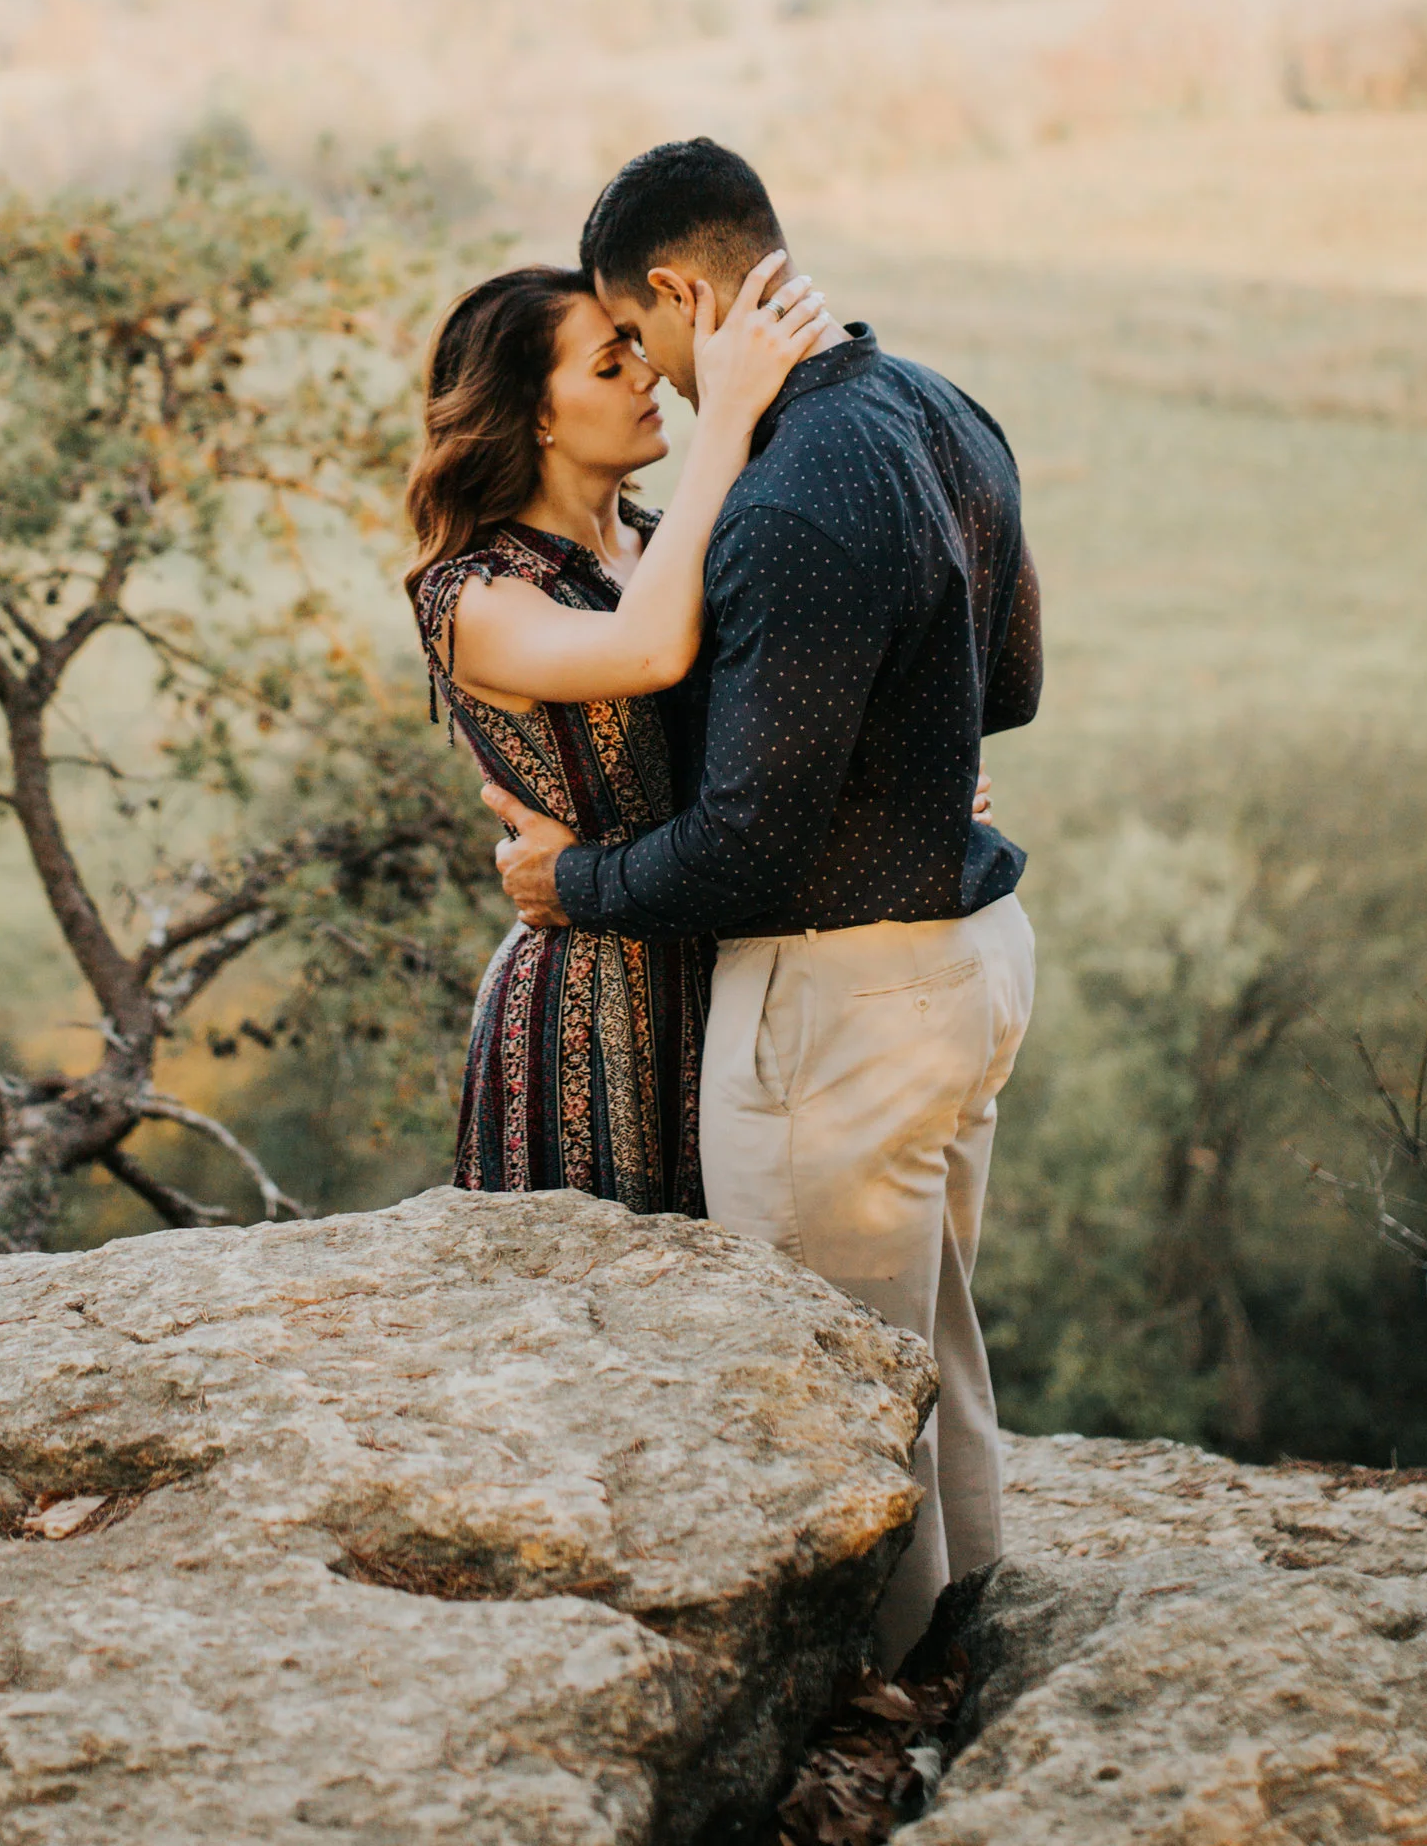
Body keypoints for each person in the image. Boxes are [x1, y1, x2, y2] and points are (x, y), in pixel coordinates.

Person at [484, 138, 1043, 1671]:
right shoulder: (935, 405)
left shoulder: (788, 494)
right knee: (929, 1353)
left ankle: (863, 1706)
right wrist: (915, 773)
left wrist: (566, 879)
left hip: (844, 998)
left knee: (826, 1392)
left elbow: (741, 849)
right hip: (969, 957)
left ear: (678, 291)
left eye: (639, 333)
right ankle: (969, 1658)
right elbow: (1015, 684)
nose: (657, 379)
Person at [405, 250, 830, 1211]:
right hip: (584, 1011)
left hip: (720, 978)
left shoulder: (656, 538)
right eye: (609, 365)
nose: (648, 375)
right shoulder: (474, 595)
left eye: (638, 349)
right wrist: (725, 417)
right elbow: (647, 654)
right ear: (535, 416)